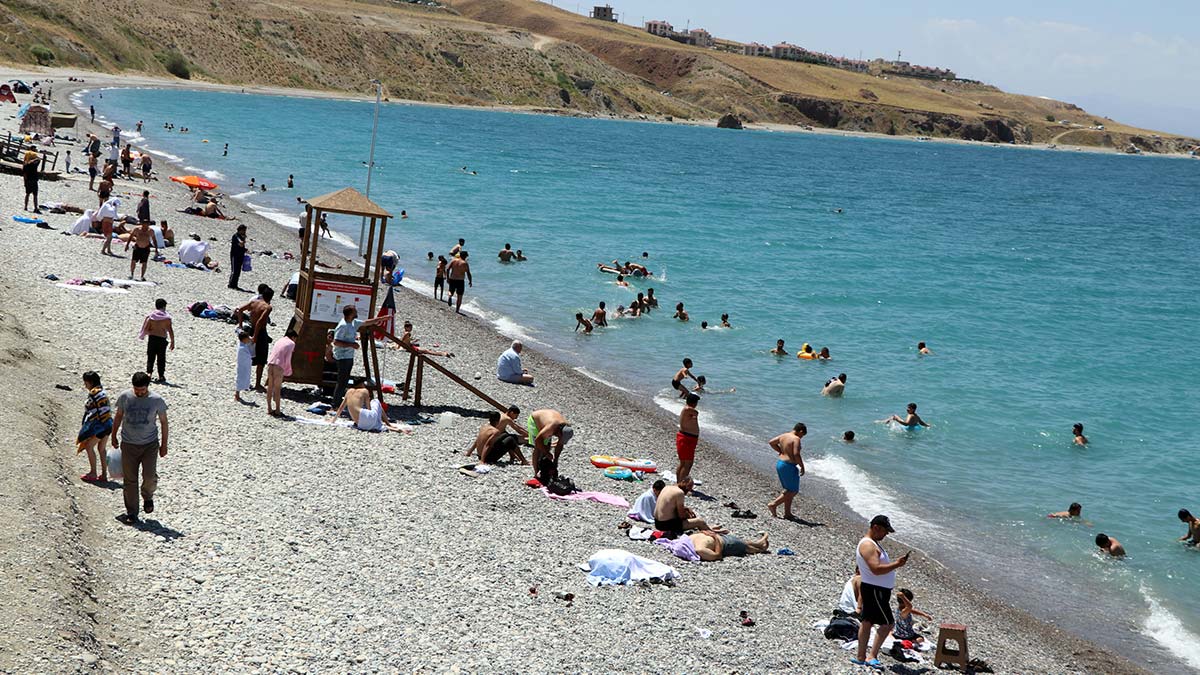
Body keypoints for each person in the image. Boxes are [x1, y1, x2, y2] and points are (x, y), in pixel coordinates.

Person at [110, 372, 169, 524]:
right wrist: (114, 434)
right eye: (137, 389)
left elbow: (163, 422)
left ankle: (148, 496)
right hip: (129, 444)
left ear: (147, 387)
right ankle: (132, 512)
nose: (139, 392)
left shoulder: (156, 400)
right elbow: (118, 416)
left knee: (149, 476)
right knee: (130, 480)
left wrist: (164, 445)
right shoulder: (125, 397)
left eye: (142, 390)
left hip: (150, 445)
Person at [852, 515, 909, 668]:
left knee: (867, 622)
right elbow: (876, 569)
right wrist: (897, 564)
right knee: (887, 624)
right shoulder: (868, 545)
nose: (886, 535)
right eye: (885, 531)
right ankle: (871, 656)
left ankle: (860, 656)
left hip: (875, 588)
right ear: (876, 527)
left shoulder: (873, 544)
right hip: (875, 589)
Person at [330, 304, 391, 408]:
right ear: (350, 314)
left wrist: (383, 318)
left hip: (348, 356)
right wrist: (351, 345)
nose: (356, 313)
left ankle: (338, 402)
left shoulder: (353, 322)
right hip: (342, 357)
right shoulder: (343, 325)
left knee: (344, 380)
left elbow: (366, 322)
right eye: (354, 311)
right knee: (342, 381)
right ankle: (335, 404)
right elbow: (336, 342)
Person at [236, 286, 276, 391]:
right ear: (270, 297)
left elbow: (239, 310)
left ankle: (245, 382)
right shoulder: (268, 307)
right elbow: (260, 322)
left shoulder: (253, 302)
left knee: (248, 357)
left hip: (250, 329)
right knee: (261, 359)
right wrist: (255, 337)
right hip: (260, 333)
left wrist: (240, 326)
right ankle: (257, 384)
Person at [76, 371, 113, 483]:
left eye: (85, 382)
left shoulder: (93, 393)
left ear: (90, 382)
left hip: (100, 426)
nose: (85, 385)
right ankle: (104, 474)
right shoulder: (102, 391)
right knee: (102, 449)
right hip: (108, 424)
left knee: (89, 446)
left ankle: (93, 472)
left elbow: (88, 408)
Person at [653, 478, 721, 538]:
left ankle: (707, 528)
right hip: (666, 525)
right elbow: (681, 515)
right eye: (688, 488)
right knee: (700, 521)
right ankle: (713, 534)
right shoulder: (679, 492)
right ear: (683, 482)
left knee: (691, 519)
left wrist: (686, 509)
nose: (687, 490)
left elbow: (669, 505)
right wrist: (689, 516)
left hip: (657, 523)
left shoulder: (667, 487)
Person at [767, 422, 806, 520]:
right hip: (789, 466)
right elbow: (796, 454)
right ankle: (773, 504)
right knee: (793, 491)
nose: (801, 438)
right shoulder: (795, 439)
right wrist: (802, 466)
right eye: (802, 435)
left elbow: (771, 442)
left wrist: (780, 451)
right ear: (800, 431)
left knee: (789, 490)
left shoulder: (784, 435)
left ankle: (787, 513)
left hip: (781, 464)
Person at [526, 409, 573, 477]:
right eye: (559, 437)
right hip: (535, 420)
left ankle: (544, 470)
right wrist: (546, 453)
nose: (559, 438)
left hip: (548, 421)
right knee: (538, 449)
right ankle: (536, 473)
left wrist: (556, 459)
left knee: (547, 446)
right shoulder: (551, 427)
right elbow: (538, 441)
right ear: (559, 432)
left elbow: (560, 444)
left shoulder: (566, 428)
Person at [139, 299, 174, 383]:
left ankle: (149, 373)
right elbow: (170, 330)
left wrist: (145, 333)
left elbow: (146, 329)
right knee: (161, 358)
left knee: (151, 357)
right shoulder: (167, 318)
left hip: (152, 339)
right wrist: (173, 341)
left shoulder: (151, 317)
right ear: (164, 306)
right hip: (162, 340)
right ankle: (161, 375)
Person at [265, 328, 297, 417]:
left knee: (270, 387)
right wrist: (288, 371)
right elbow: (288, 359)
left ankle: (269, 408)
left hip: (270, 362)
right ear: (293, 337)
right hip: (279, 366)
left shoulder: (280, 340)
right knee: (277, 388)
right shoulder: (291, 343)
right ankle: (278, 410)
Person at [690, 530, 770, 561]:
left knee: (746, 546)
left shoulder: (699, 549)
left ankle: (760, 545)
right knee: (746, 546)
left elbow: (717, 556)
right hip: (724, 541)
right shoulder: (688, 539)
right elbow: (718, 556)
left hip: (724, 542)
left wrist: (715, 536)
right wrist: (715, 536)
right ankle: (761, 545)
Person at [677, 393, 700, 483]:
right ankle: (682, 485)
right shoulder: (687, 409)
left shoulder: (688, 410)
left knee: (684, 463)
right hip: (687, 438)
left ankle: (679, 483)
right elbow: (696, 412)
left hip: (688, 438)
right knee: (687, 463)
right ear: (693, 402)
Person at [234, 328, 254, 402]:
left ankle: (241, 390)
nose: (249, 339)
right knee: (240, 378)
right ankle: (237, 394)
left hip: (245, 365)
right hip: (242, 365)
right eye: (247, 338)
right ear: (244, 339)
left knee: (244, 377)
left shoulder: (243, 344)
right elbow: (246, 355)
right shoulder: (242, 348)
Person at [228, 224, 248, 290]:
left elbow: (242, 247)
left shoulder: (241, 236)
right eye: (244, 230)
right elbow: (241, 244)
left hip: (240, 255)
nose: (245, 232)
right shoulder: (236, 236)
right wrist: (244, 239)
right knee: (234, 270)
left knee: (238, 271)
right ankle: (230, 284)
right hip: (235, 255)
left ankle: (235, 284)